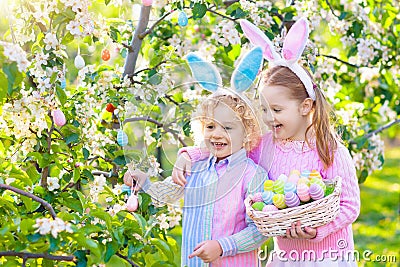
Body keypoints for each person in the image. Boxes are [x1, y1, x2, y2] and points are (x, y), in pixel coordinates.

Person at [172, 18, 360, 267]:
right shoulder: (265, 145)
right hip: (286, 256)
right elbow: (227, 146)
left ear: (305, 107)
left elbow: (350, 205)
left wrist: (318, 231)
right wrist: (188, 155)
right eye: (264, 109)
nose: (269, 118)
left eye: (277, 110)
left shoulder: (329, 149)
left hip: (328, 257)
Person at [124, 47, 270, 266]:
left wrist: (222, 247)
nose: (217, 134)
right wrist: (142, 183)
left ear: (247, 132)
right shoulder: (196, 167)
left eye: (228, 128)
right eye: (211, 126)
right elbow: (165, 194)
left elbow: (260, 230)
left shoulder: (253, 176)